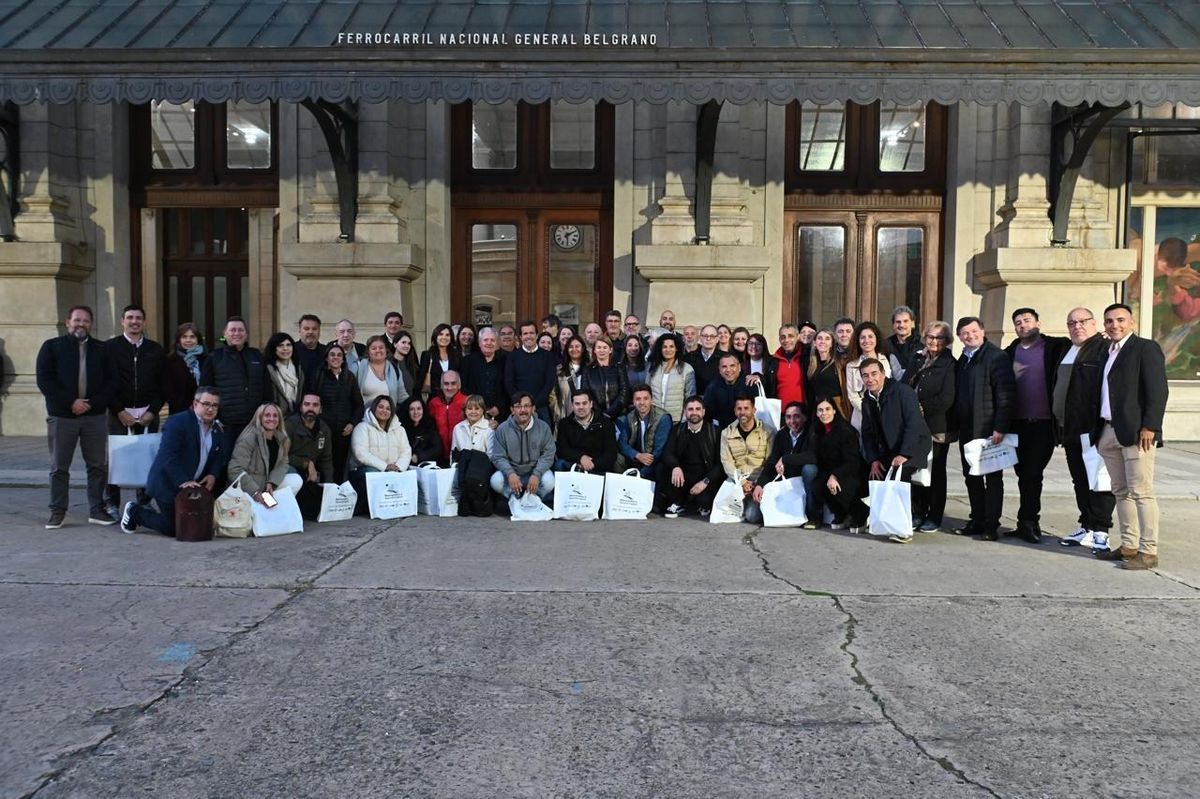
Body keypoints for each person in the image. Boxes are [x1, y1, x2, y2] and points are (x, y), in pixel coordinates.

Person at [1092, 303, 1169, 570]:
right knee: (1121, 491)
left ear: (1132, 322)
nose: (1115, 325)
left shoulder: (1145, 348)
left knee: (1141, 492)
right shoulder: (1107, 351)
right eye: (1110, 321)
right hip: (1108, 430)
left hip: (1137, 433)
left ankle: (1148, 552)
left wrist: (1151, 426)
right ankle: (1128, 545)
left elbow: (1158, 391)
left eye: (1120, 320)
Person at [36, 305, 116, 528]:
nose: (81, 324)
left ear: (91, 324)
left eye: (86, 321)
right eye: (77, 320)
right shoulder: (51, 347)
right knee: (59, 467)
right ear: (67, 322)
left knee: (98, 465)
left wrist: (91, 404)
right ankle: (57, 511)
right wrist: (71, 402)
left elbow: (112, 382)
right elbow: (45, 381)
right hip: (63, 416)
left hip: (95, 416)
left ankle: (96, 509)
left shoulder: (102, 349)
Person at [120, 387, 227, 537]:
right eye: (206, 404)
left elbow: (218, 456)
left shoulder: (217, 429)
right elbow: (168, 456)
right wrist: (183, 480)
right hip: (167, 483)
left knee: (196, 526)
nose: (210, 409)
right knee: (175, 528)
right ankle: (134, 511)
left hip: (192, 486)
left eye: (214, 405)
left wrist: (212, 474)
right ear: (195, 404)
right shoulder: (178, 422)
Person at [1004, 307, 1071, 544]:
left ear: (1038, 323)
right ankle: (1024, 521)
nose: (1023, 325)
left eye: (1027, 320)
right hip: (1016, 425)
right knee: (1022, 474)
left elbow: (1083, 347)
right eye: (1018, 322)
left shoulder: (1056, 347)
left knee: (1033, 473)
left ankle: (1031, 522)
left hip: (1043, 424)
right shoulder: (1009, 352)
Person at [1055, 307, 1117, 551]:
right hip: (1069, 429)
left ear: (1094, 324)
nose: (1077, 326)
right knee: (1080, 479)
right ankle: (1087, 525)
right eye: (1071, 322)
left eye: (1083, 321)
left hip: (1093, 429)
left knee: (1100, 480)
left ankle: (1101, 531)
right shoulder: (1068, 349)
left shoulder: (1103, 349)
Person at [953, 316, 1016, 541]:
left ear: (982, 331)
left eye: (973, 331)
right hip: (968, 429)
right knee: (971, 476)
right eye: (965, 333)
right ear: (960, 337)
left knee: (992, 479)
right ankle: (976, 519)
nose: (970, 336)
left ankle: (991, 525)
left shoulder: (996, 357)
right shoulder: (964, 358)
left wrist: (1000, 426)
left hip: (989, 430)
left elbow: (1006, 394)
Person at [859, 358, 932, 541]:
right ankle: (879, 521)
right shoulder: (867, 400)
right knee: (872, 474)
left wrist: (904, 454)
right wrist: (873, 459)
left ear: (883, 374)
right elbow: (867, 433)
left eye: (874, 374)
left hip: (914, 445)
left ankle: (902, 528)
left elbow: (914, 424)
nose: (870, 379)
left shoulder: (902, 391)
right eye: (865, 375)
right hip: (888, 450)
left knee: (900, 477)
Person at [104, 303, 165, 517]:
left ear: (144, 322)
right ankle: (112, 503)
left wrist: (153, 411)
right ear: (122, 321)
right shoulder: (109, 348)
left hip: (148, 413)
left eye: (138, 318)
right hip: (118, 413)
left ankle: (145, 500)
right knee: (115, 459)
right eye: (130, 317)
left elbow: (162, 385)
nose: (134, 321)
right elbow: (105, 383)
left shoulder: (155, 349)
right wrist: (119, 410)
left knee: (147, 458)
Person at [905, 321, 957, 533]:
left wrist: (920, 407)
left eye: (939, 338)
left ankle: (934, 516)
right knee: (916, 469)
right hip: (915, 427)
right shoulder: (918, 358)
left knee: (935, 473)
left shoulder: (949, 364)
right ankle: (917, 512)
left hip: (936, 427)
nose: (934, 341)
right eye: (930, 337)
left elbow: (947, 398)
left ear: (946, 341)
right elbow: (904, 383)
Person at [199, 316, 267, 467]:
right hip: (226, 425)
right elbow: (205, 390)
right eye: (233, 330)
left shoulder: (257, 356)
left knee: (253, 464)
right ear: (225, 333)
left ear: (246, 333)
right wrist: (215, 418)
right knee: (224, 464)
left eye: (240, 330)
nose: (237, 333)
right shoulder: (214, 357)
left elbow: (266, 388)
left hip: (254, 424)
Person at [655, 395, 723, 518]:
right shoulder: (677, 430)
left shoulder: (715, 431)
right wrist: (675, 466)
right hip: (683, 477)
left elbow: (720, 464)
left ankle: (698, 504)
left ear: (703, 411)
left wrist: (705, 481)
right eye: (690, 409)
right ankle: (679, 503)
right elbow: (667, 453)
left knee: (704, 501)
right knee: (663, 470)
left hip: (705, 478)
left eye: (697, 409)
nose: (694, 412)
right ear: (685, 412)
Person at [806, 397, 867, 532]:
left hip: (851, 472)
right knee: (817, 485)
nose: (824, 413)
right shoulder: (817, 431)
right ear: (816, 413)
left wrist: (834, 476)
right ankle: (840, 513)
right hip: (830, 472)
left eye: (827, 409)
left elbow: (852, 461)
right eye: (820, 410)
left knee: (839, 485)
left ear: (834, 410)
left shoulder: (845, 430)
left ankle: (861, 513)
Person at [752, 401, 818, 522]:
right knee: (753, 516)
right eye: (788, 417)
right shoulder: (781, 434)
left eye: (796, 416)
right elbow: (773, 461)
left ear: (804, 417)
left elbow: (813, 456)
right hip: (786, 482)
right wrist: (760, 484)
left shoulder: (812, 432)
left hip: (804, 480)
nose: (792, 421)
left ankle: (813, 516)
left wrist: (785, 458)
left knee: (810, 469)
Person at [227, 402, 303, 504]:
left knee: (296, 479)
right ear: (260, 417)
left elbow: (283, 464)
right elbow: (234, 470)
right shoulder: (249, 438)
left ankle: (273, 512)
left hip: (266, 487)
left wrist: (272, 482)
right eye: (267, 415)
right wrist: (255, 491)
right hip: (247, 490)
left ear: (279, 419)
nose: (271, 419)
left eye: (275, 416)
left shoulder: (281, 440)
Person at [348, 395, 412, 513]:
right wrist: (385, 467)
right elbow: (360, 453)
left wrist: (398, 468)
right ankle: (370, 506)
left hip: (393, 470)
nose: (384, 410)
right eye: (381, 407)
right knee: (372, 473)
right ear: (374, 408)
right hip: (364, 471)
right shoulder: (362, 427)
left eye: (388, 408)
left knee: (410, 472)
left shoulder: (399, 429)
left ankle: (398, 505)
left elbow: (406, 451)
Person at [488, 391, 556, 502]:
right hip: (513, 473)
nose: (523, 410)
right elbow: (498, 457)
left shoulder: (543, 428)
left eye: (526, 406)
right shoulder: (503, 429)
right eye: (518, 406)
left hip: (534, 472)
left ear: (533, 408)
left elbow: (548, 455)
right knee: (496, 481)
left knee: (549, 482)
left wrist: (536, 474)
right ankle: (515, 499)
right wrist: (510, 474)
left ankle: (533, 499)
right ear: (512, 410)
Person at [311, 343, 360, 482]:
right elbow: (311, 401)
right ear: (326, 358)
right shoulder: (318, 375)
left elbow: (358, 405)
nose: (336, 358)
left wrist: (352, 423)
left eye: (339, 355)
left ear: (343, 359)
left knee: (339, 466)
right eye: (332, 355)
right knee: (322, 465)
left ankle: (337, 499)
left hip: (344, 431)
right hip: (322, 430)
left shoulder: (349, 377)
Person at [720, 395, 771, 524]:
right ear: (735, 411)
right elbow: (727, 462)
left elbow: (770, 461)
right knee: (723, 513)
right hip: (736, 480)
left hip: (760, 481)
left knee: (752, 516)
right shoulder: (727, 433)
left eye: (746, 408)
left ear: (754, 410)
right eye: (739, 408)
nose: (742, 412)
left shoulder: (768, 431)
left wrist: (760, 483)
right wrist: (741, 481)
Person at [504, 320, 558, 427]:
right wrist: (521, 405)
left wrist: (533, 405)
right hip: (519, 409)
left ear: (537, 335)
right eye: (525, 333)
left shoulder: (547, 356)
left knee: (543, 442)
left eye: (531, 333)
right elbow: (509, 382)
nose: (528, 336)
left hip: (541, 408)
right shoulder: (512, 357)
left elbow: (549, 383)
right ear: (520, 336)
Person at [285, 393, 334, 507]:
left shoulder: (324, 429)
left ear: (320, 409)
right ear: (301, 407)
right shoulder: (289, 425)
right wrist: (306, 464)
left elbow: (326, 460)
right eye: (307, 404)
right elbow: (282, 456)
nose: (311, 408)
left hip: (311, 475)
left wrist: (329, 487)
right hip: (292, 470)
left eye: (315, 405)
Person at [554, 388, 618, 474]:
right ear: (572, 405)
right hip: (574, 464)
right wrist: (581, 458)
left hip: (598, 466)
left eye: (584, 403)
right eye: (577, 404)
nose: (581, 407)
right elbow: (562, 449)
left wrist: (592, 463)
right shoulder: (564, 423)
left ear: (591, 404)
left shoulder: (606, 423)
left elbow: (611, 453)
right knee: (560, 464)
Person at [615, 383, 671, 479]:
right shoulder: (630, 416)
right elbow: (622, 443)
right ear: (633, 401)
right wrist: (637, 455)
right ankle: (623, 487)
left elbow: (659, 450)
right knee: (618, 459)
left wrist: (640, 474)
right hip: (638, 457)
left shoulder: (662, 418)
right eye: (638, 399)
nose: (642, 402)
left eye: (646, 398)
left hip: (654, 460)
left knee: (660, 467)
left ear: (651, 399)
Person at [845, 321, 892, 430]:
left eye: (870, 336)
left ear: (876, 339)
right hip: (862, 417)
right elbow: (852, 396)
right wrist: (870, 410)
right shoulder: (851, 366)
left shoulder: (886, 360)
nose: (866, 340)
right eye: (862, 337)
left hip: (886, 414)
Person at [460, 327, 508, 422]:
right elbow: (464, 388)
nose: (489, 343)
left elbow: (508, 386)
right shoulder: (468, 361)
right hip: (474, 414)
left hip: (500, 415)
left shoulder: (506, 360)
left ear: (497, 343)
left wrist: (500, 407)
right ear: (479, 343)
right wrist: (476, 408)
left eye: (492, 340)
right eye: (485, 340)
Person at [648, 332, 696, 421]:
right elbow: (647, 393)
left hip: (676, 420)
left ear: (677, 348)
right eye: (664, 347)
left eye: (671, 346)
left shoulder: (687, 369)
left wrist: (684, 421)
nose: (668, 350)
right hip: (655, 418)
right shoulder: (652, 368)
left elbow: (690, 397)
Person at [355, 335, 408, 410]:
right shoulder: (358, 366)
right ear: (368, 351)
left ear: (386, 350)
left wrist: (413, 404)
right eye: (373, 348)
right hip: (364, 416)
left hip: (388, 417)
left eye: (381, 348)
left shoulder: (395, 369)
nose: (378, 350)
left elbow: (402, 395)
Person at [702, 352, 754, 429]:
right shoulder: (712, 387)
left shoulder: (749, 384)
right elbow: (707, 415)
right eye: (724, 367)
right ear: (719, 370)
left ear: (739, 367)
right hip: (721, 432)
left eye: (732, 366)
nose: (728, 370)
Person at [163, 322, 206, 415]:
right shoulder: (170, 361)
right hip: (180, 411)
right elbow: (168, 389)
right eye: (184, 337)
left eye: (192, 337)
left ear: (198, 339)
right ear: (179, 340)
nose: (188, 340)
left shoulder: (206, 359)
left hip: (204, 411)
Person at [582, 335, 629, 419]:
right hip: (596, 416)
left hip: (619, 415)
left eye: (605, 347)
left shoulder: (619, 367)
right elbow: (586, 394)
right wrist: (599, 413)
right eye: (599, 347)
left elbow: (624, 391)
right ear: (595, 350)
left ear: (610, 350)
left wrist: (611, 412)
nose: (601, 350)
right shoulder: (588, 370)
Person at [805, 328, 848, 419]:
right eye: (820, 338)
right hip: (817, 408)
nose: (823, 341)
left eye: (827, 339)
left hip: (837, 407)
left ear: (832, 343)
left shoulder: (840, 363)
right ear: (815, 343)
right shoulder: (811, 365)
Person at [428, 370, 466, 465]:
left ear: (459, 385)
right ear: (441, 386)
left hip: (461, 455)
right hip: (438, 456)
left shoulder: (467, 402)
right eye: (446, 384)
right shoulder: (433, 403)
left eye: (453, 383)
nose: (449, 387)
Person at [263, 332, 305, 417]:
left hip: (296, 417)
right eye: (280, 345)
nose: (285, 348)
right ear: (274, 348)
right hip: (275, 417)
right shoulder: (267, 369)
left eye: (288, 345)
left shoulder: (299, 368)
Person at [553, 334, 590, 423]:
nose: (574, 349)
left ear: (583, 348)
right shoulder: (559, 370)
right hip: (565, 415)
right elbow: (553, 394)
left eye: (577, 346)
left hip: (588, 417)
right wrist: (557, 413)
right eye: (571, 347)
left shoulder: (590, 369)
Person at [417, 323, 461, 397]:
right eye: (441, 334)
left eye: (447, 335)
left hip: (454, 397)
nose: (444, 337)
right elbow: (420, 379)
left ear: (451, 338)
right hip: (434, 398)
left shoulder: (456, 355)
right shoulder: (427, 355)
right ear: (435, 336)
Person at [401, 396, 443, 466]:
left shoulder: (429, 424)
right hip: (405, 465)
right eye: (412, 409)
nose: (416, 412)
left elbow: (437, 448)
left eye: (419, 408)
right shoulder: (401, 426)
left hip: (425, 465)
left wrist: (419, 456)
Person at [774, 324, 807, 410]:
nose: (786, 340)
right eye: (783, 337)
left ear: (798, 337)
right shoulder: (773, 360)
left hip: (803, 412)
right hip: (780, 413)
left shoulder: (807, 358)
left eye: (791, 336)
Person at [687, 324, 724, 394]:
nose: (708, 339)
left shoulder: (725, 358)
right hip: (695, 401)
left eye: (712, 336)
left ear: (717, 339)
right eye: (705, 336)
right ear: (700, 338)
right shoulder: (689, 357)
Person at [886, 305, 921, 381]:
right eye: (898, 322)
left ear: (912, 323)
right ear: (893, 325)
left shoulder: (922, 343)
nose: (901, 325)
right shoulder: (886, 344)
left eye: (905, 321)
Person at [741, 333, 778, 397]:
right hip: (749, 402)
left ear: (764, 346)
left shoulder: (773, 362)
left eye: (758, 344)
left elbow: (773, 384)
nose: (753, 346)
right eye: (750, 343)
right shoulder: (742, 365)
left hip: (768, 401)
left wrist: (759, 378)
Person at [294, 314, 326, 381]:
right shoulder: (291, 351)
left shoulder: (327, 352)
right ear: (299, 331)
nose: (310, 332)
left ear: (319, 331)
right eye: (306, 329)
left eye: (314, 329)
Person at [391, 330, 419, 397]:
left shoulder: (412, 365)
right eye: (403, 342)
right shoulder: (388, 364)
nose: (407, 346)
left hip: (410, 404)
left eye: (409, 343)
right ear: (395, 344)